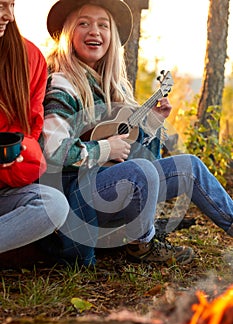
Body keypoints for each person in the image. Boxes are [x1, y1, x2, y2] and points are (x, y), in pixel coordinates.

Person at [39, 0, 233, 268]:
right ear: (68, 34)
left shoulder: (113, 87)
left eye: (103, 25)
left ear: (112, 37)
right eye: (83, 23)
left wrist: (152, 125)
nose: (94, 31)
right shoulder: (62, 84)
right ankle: (142, 245)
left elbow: (145, 164)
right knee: (140, 171)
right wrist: (105, 149)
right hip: (75, 196)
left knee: (190, 166)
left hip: (110, 188)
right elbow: (53, 150)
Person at [0, 0, 70, 263]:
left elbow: (30, 132)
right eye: (0, 5)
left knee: (53, 205)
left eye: (12, 4)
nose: (9, 16)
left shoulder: (28, 57)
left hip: (5, 188)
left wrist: (15, 154)